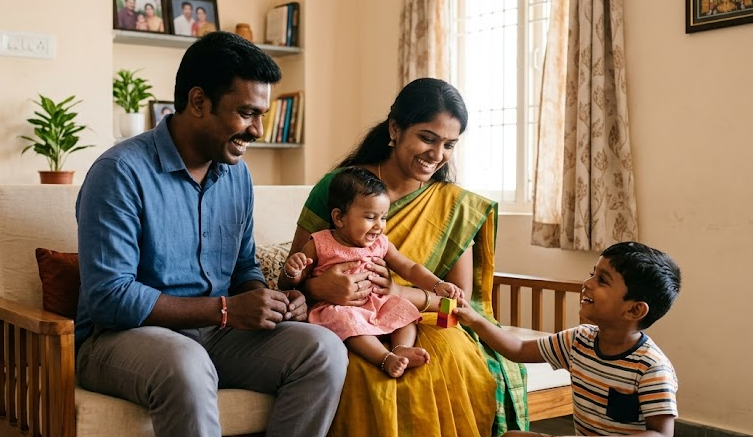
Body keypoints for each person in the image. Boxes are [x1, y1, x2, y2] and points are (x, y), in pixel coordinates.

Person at [75, 31, 348, 437]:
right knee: (184, 360)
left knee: (323, 350)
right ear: (199, 102)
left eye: (262, 115)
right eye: (246, 113)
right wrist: (225, 310)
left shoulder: (237, 176)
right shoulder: (120, 173)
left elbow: (243, 268)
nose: (257, 130)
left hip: (216, 335)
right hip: (120, 340)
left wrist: (268, 300)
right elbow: (110, 298)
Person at [287, 77, 528, 436]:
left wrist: (400, 294)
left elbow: (458, 305)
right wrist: (322, 288)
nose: (437, 154)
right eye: (428, 138)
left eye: (449, 144)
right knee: (358, 373)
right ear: (395, 129)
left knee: (444, 360)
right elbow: (292, 278)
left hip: (420, 321)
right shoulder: (341, 187)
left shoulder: (453, 206)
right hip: (344, 320)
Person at [455, 242, 681, 437]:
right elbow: (520, 349)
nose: (588, 283)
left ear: (634, 310)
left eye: (602, 280)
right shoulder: (579, 340)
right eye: (593, 273)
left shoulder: (651, 368)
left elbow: (661, 433)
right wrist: (476, 320)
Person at [279, 166, 465, 378]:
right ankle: (384, 358)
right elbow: (296, 281)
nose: (378, 226)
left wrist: (437, 285)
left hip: (376, 302)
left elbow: (409, 268)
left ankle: (400, 348)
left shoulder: (380, 243)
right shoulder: (320, 242)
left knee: (403, 309)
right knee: (347, 322)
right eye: (370, 217)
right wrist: (293, 270)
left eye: (383, 218)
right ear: (339, 218)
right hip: (339, 307)